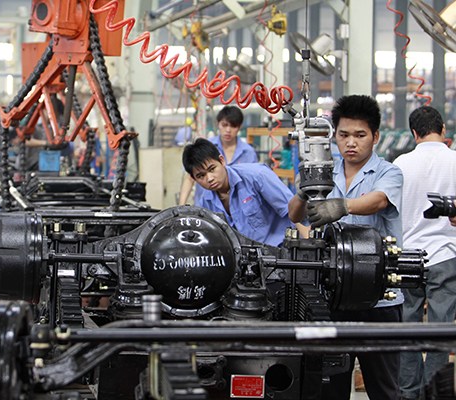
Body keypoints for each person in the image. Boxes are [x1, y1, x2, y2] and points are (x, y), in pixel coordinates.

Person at [288, 94, 403, 400]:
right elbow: (295, 215)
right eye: (344, 135)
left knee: (384, 388)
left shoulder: (389, 172)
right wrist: (304, 188)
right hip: (333, 298)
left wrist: (342, 206)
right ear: (334, 136)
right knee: (329, 388)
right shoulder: (323, 170)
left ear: (375, 136)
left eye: (360, 135)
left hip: (379, 302)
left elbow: (378, 200)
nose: (351, 142)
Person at [393, 106, 456, 400]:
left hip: (407, 257)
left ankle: (408, 394)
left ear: (414, 133)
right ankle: (435, 393)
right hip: (446, 255)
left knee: (407, 330)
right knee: (441, 331)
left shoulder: (401, 164)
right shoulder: (455, 160)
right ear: (443, 130)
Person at [182, 138, 294, 246]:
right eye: (201, 176)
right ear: (194, 178)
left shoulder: (257, 176)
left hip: (280, 252)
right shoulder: (206, 204)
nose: (210, 178)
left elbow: (293, 212)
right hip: (246, 260)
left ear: (221, 161)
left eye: (212, 169)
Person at [179, 106, 257, 205]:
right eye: (224, 125)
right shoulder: (206, 147)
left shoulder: (248, 152)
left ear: (239, 127)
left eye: (233, 126)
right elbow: (189, 178)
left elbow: (251, 182)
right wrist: (181, 207)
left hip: (238, 207)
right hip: (205, 208)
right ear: (218, 124)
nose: (228, 130)